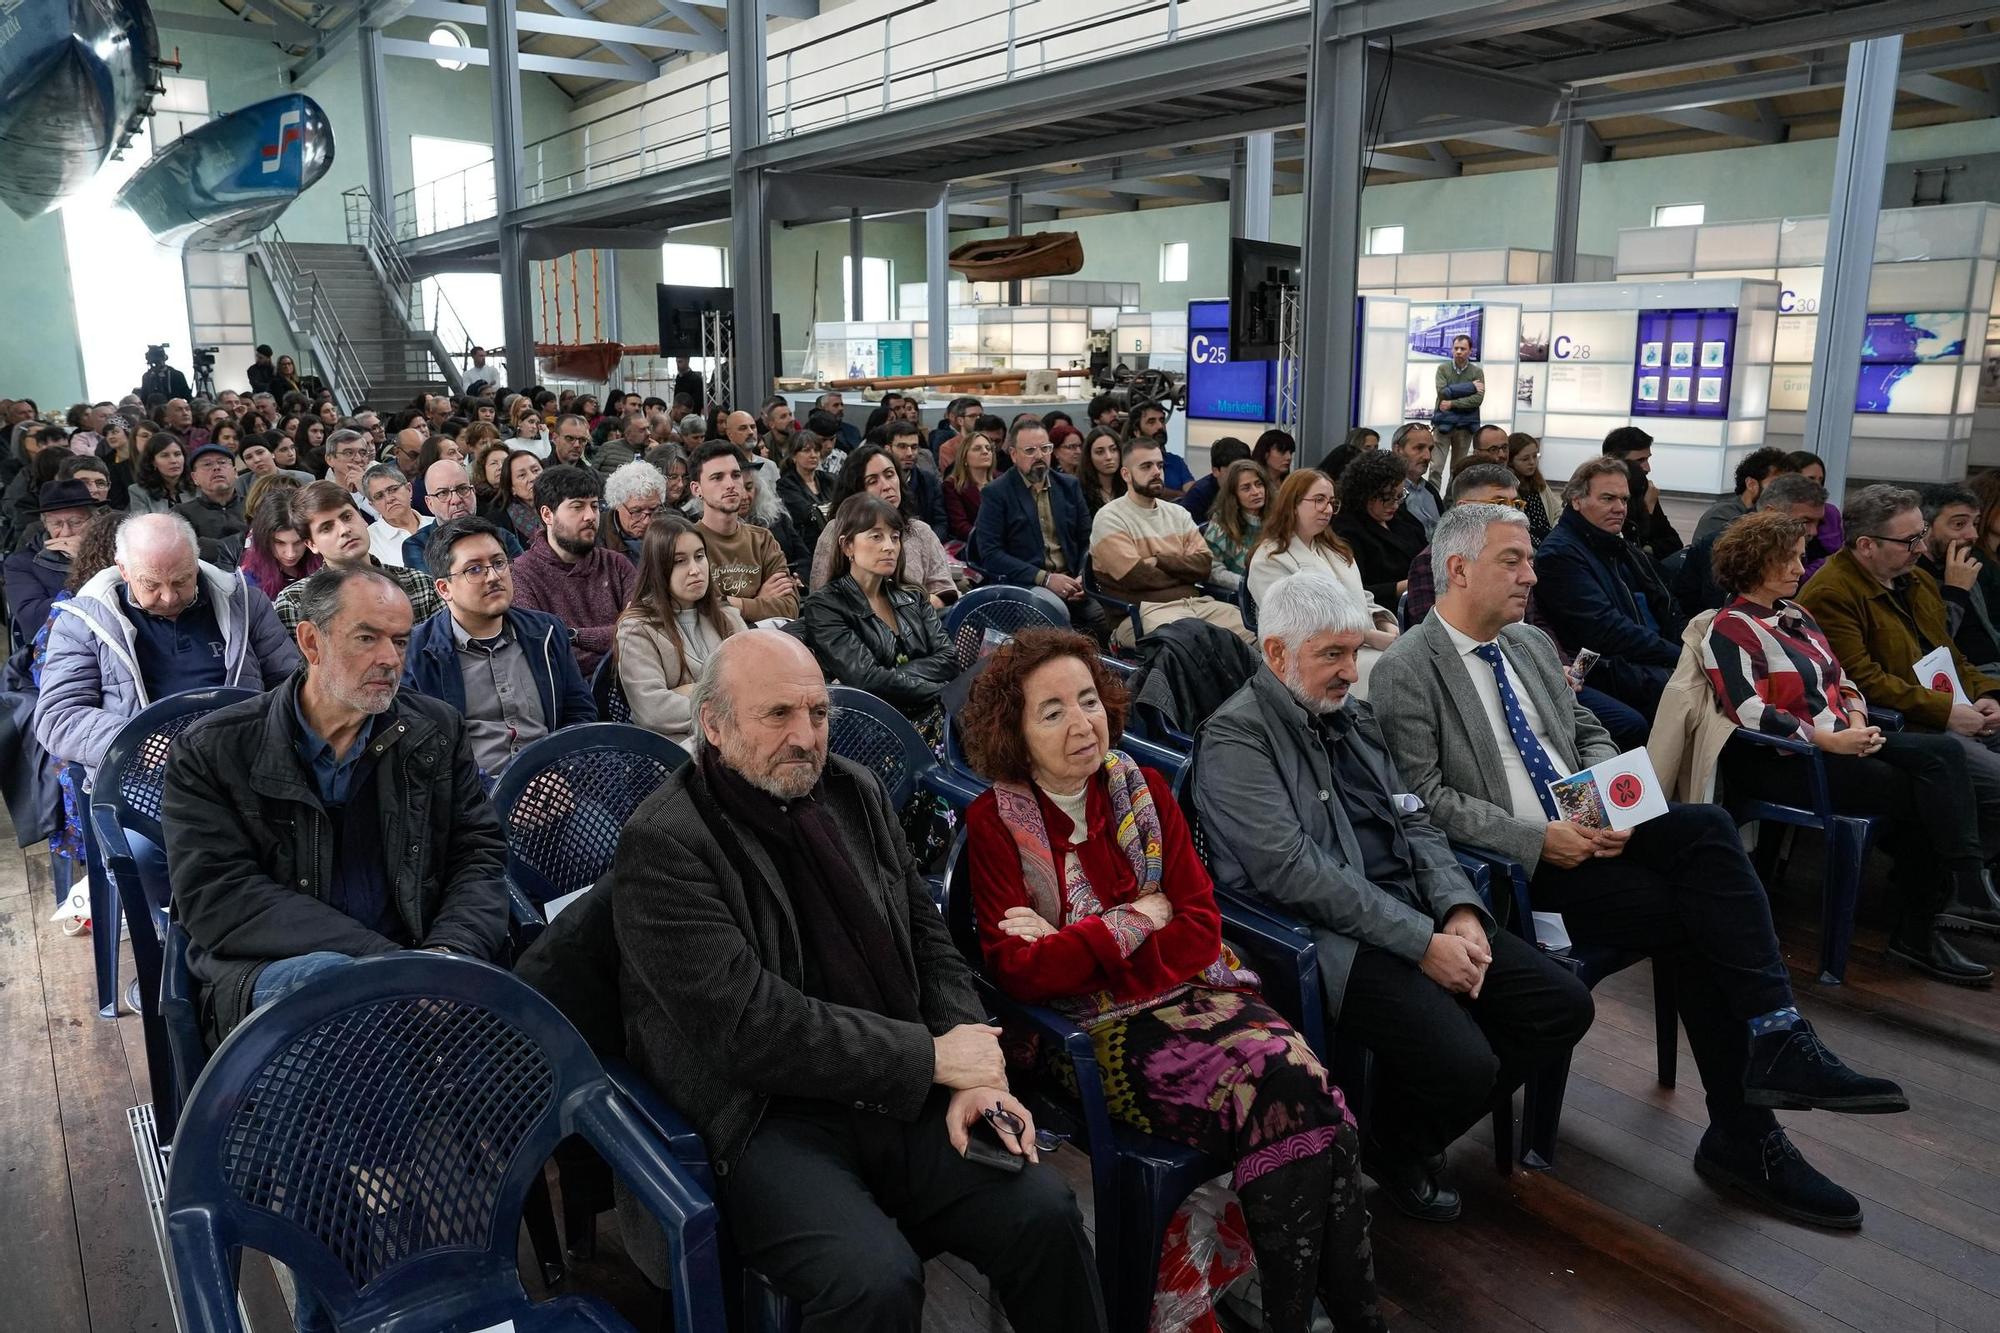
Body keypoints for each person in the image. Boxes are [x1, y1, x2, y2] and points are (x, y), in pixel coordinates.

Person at [1374, 502, 1909, 1230]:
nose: (1532, 575)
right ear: (1459, 569)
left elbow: (1587, 726)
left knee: (1707, 830)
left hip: (1587, 823)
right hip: (1520, 868)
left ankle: (1773, 1052)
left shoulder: (1528, 642)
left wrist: (1600, 803)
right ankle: (1753, 1112)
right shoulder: (1408, 667)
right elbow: (1425, 802)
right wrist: (1539, 838)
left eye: (1531, 559)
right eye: (1513, 560)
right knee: (1701, 914)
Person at [607, 628, 1105, 1331]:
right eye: (777, 714)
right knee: (873, 1281)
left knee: (1045, 1213)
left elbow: (928, 940)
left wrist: (977, 1072)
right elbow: (750, 1028)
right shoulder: (666, 841)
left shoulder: (852, 789)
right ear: (713, 725)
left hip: (896, 1084)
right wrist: (932, 1058)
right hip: (767, 1115)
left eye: (818, 713)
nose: (805, 737)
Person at [963, 628, 1385, 1330]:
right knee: (1293, 1091)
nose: (1082, 723)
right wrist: (1138, 918)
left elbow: (1198, 930)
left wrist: (1083, 943)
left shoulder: (1144, 788)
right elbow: (1025, 974)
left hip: (1196, 994)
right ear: (1015, 732)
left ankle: (1302, 1310)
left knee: (1302, 1085)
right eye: (1052, 711)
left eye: (1089, 700)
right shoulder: (994, 823)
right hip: (1085, 1036)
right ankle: (1330, 1315)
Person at [1196, 572, 1595, 1224]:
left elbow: (1418, 822)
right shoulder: (1237, 738)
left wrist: (1460, 908)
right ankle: (1400, 1142)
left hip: (1416, 910)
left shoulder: (1352, 718)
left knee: (1561, 1005)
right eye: (1332, 654)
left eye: (1354, 651)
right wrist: (1422, 943)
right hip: (1330, 940)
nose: (1351, 671)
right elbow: (1297, 874)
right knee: (1466, 1064)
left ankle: (1392, 1134)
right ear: (1276, 652)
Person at [162, 562, 509, 1056]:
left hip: (420, 957)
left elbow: (477, 854)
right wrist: (387, 963)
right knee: (336, 992)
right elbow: (219, 896)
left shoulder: (434, 730)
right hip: (280, 968)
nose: (390, 659)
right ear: (311, 642)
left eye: (401, 641)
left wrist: (450, 950)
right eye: (366, 638)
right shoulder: (212, 751)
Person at [1700, 511, 1990, 985]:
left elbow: (1844, 680)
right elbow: (1747, 710)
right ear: (1755, 563)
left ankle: (1962, 886)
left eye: (1800, 557)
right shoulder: (1730, 626)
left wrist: (1855, 721)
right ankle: (1937, 913)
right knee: (1924, 792)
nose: (1801, 568)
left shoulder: (1796, 615)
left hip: (1841, 739)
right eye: (1790, 559)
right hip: (1787, 759)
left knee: (1946, 756)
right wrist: (1828, 739)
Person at [1796, 484, 2000, 935]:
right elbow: (1863, 682)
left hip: (1943, 709)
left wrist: (1986, 694)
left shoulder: (1916, 580)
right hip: (1901, 724)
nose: (1922, 548)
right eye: (1910, 541)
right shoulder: (1831, 593)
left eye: (1922, 534)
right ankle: (1956, 892)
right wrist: (1947, 711)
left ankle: (1968, 883)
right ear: (1866, 545)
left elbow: (1948, 655)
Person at [35, 513, 300, 775]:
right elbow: (57, 718)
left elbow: (291, 684)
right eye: (151, 584)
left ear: (195, 562)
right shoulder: (83, 623)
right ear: (124, 570)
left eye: (181, 581)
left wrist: (261, 731)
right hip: (143, 774)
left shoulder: (245, 604)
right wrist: (139, 740)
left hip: (245, 759)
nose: (169, 597)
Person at [402, 516, 595, 780]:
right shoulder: (415, 654)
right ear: (444, 588)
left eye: (499, 563)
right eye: (474, 569)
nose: (493, 576)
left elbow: (580, 713)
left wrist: (561, 775)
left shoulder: (546, 632)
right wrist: (492, 791)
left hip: (557, 781)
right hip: (474, 795)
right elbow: (425, 752)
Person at [1534, 456, 1686, 721]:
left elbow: (1667, 603)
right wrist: (1680, 656)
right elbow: (1605, 631)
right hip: (1596, 666)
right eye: (1608, 499)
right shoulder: (1560, 554)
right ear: (1577, 501)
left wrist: (1688, 648)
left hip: (1641, 658)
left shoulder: (1617, 545)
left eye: (1624, 500)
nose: (1620, 508)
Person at [800, 496, 957, 722]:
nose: (889, 547)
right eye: (876, 536)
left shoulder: (913, 596)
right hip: (876, 726)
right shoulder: (825, 606)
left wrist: (891, 676)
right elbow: (866, 680)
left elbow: (949, 658)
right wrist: (943, 692)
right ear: (847, 546)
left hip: (934, 709)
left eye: (895, 537)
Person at [1087, 437, 1248, 647]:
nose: (1156, 472)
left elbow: (1203, 566)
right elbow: (1136, 577)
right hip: (1142, 614)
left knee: (1257, 634)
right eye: (1146, 466)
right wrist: (1182, 568)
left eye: (1160, 465)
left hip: (1196, 605)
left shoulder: (1178, 513)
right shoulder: (1110, 518)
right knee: (1193, 645)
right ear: (1126, 474)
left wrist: (1158, 560)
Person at [1246, 469, 1398, 688]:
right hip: (1316, 659)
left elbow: (1360, 597)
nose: (1328, 509)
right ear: (1293, 504)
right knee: (1396, 674)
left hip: (1359, 647)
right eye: (1319, 500)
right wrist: (1368, 637)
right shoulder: (1269, 560)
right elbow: (1300, 624)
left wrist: (1383, 622)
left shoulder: (1335, 549)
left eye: (1331, 502)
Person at [615, 514, 746, 747]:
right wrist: (728, 702)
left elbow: (756, 681)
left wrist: (689, 691)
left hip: (738, 738)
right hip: (676, 751)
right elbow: (653, 710)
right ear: (658, 569)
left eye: (699, 556)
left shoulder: (728, 617)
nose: (695, 570)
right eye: (680, 561)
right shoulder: (636, 628)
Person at [975, 420, 1107, 645]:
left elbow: (1088, 539)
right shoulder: (996, 493)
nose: (1039, 456)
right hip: (1027, 583)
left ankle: (1096, 667)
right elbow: (991, 554)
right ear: (1014, 455)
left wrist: (1083, 577)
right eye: (1030, 450)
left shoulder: (1069, 486)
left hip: (1071, 579)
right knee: (1056, 617)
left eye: (1045, 448)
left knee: (1102, 616)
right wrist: (1046, 579)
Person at [507, 464, 638, 676]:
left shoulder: (616, 564)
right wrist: (617, 637)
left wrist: (572, 635)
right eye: (577, 507)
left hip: (633, 679)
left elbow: (642, 632)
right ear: (547, 515)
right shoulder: (521, 575)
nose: (590, 516)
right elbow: (546, 651)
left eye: (594, 506)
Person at [273, 481, 444, 633]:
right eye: (326, 528)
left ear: (362, 519)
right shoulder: (295, 602)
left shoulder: (420, 585)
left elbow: (446, 652)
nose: (344, 530)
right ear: (311, 544)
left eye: (347, 517)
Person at [807, 445, 958, 605]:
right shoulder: (837, 530)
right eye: (873, 481)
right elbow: (820, 599)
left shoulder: (920, 531)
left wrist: (910, 608)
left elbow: (945, 591)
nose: (887, 486)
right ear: (857, 490)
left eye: (890, 475)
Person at [1674, 474, 1826, 616]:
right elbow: (1718, 613)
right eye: (1805, 521)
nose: (1813, 531)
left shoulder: (1796, 544)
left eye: (1819, 523)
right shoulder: (1728, 547)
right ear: (1770, 512)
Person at [688, 442, 798, 622]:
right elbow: (699, 611)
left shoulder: (762, 539)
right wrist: (760, 600)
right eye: (717, 477)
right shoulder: (686, 542)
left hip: (766, 637)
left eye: (736, 475)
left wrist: (732, 603)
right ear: (696, 489)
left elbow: (789, 608)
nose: (730, 484)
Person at [1914, 482, 2000, 676]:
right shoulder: (1911, 575)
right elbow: (1930, 647)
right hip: (1966, 678)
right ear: (1924, 527)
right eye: (1959, 524)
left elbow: (1989, 633)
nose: (1973, 535)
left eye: (1975, 524)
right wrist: (1955, 591)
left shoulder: (1963, 564)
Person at [6, 479, 104, 646]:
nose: (66, 532)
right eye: (57, 524)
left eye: (76, 522)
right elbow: (33, 618)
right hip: (57, 648)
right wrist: (83, 566)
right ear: (45, 524)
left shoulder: (113, 551)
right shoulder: (21, 564)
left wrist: (86, 559)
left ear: (94, 520)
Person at [1332, 449, 1428, 608]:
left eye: (1399, 496)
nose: (1395, 504)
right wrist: (1406, 586)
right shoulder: (1347, 531)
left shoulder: (1401, 518)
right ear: (1366, 494)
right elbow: (1355, 591)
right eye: (1387, 497)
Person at [418, 458, 522, 572]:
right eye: (443, 493)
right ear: (429, 503)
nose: (456, 500)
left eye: (463, 489)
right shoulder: (417, 545)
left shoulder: (503, 536)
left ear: (473, 492)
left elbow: (523, 579)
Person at [1603, 425, 1683, 561]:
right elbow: (1622, 549)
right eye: (1640, 461)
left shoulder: (1642, 488)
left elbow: (1674, 543)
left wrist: (1648, 549)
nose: (1647, 468)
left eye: (1647, 459)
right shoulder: (1600, 496)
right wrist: (1647, 509)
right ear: (1614, 463)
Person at [1693, 447, 1794, 544]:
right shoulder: (1722, 515)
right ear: (1751, 484)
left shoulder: (1782, 514)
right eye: (1776, 484)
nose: (1784, 491)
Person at [1200, 459, 1268, 595]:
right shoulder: (1220, 524)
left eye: (1259, 484)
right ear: (1234, 494)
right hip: (1241, 594)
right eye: (1246, 488)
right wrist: (1247, 583)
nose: (1256, 492)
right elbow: (1213, 571)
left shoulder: (1280, 518)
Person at [238, 490, 321, 598]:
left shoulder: (327, 566)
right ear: (264, 540)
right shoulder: (249, 581)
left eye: (299, 542)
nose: (291, 554)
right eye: (280, 542)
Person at [1428, 335, 1485, 485]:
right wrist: (1471, 387)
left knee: (1458, 470)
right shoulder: (1443, 369)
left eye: (1463, 349)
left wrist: (1452, 403)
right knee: (1435, 468)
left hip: (1465, 426)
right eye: (1456, 348)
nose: (1459, 351)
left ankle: (1451, 499)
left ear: (1470, 351)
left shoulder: (1477, 372)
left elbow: (1477, 399)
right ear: (1452, 350)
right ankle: (1434, 498)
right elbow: (1443, 393)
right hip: (1443, 424)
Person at [1786, 451, 1844, 580]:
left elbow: (1840, 553)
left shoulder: (1830, 513)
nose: (1816, 485)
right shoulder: (1784, 513)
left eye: (1820, 480)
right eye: (1810, 479)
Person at [361, 462, 432, 568]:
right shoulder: (369, 541)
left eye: (393, 490)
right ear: (373, 505)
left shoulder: (436, 523)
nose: (389, 499)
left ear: (409, 489)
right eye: (379, 496)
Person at [775, 431, 834, 556]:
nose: (813, 455)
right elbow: (806, 513)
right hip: (806, 547)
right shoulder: (785, 484)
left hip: (833, 541)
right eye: (806, 451)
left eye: (816, 450)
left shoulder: (829, 479)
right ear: (793, 456)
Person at [599, 459, 668, 561]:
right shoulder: (596, 537)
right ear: (617, 504)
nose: (646, 521)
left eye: (653, 509)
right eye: (636, 511)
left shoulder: (672, 526)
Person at [1175, 437, 1250, 527]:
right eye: (1233, 471)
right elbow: (1186, 529)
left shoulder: (1254, 488)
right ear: (1215, 471)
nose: (1240, 476)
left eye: (1244, 470)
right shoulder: (1199, 494)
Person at [942, 427, 996, 544]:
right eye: (977, 449)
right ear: (964, 457)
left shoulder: (1002, 480)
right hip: (975, 543)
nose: (985, 452)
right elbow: (960, 526)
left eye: (988, 448)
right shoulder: (952, 486)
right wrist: (990, 538)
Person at [1389, 423, 1444, 537]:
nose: (1427, 456)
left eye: (1430, 449)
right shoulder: (1386, 492)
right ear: (1397, 450)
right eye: (1419, 448)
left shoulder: (1431, 491)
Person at [1506, 432, 1561, 544]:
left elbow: (1558, 512)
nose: (1532, 462)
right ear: (1511, 461)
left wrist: (1554, 536)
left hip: (1550, 539)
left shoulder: (1540, 484)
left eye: (1535, 456)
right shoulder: (1508, 489)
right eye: (1525, 459)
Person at [125, 431, 187, 515]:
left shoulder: (198, 486)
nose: (173, 461)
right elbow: (142, 522)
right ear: (152, 462)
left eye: (177, 454)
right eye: (165, 455)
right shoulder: (138, 492)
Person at [1079, 426, 1125, 515]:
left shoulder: (1131, 486)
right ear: (1089, 457)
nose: (1109, 457)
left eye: (1113, 449)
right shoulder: (1080, 492)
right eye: (1100, 452)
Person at [502, 449, 545, 541]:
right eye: (522, 475)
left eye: (536, 470)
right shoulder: (503, 523)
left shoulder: (564, 503)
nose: (532, 478)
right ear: (512, 488)